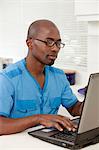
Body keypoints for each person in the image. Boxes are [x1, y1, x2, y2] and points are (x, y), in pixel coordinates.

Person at [0, 19, 83, 135]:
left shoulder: (59, 76)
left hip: (50, 142)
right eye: (49, 42)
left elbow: (74, 108)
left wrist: (92, 101)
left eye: (58, 43)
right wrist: (39, 118)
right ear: (30, 43)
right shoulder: (7, 79)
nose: (55, 48)